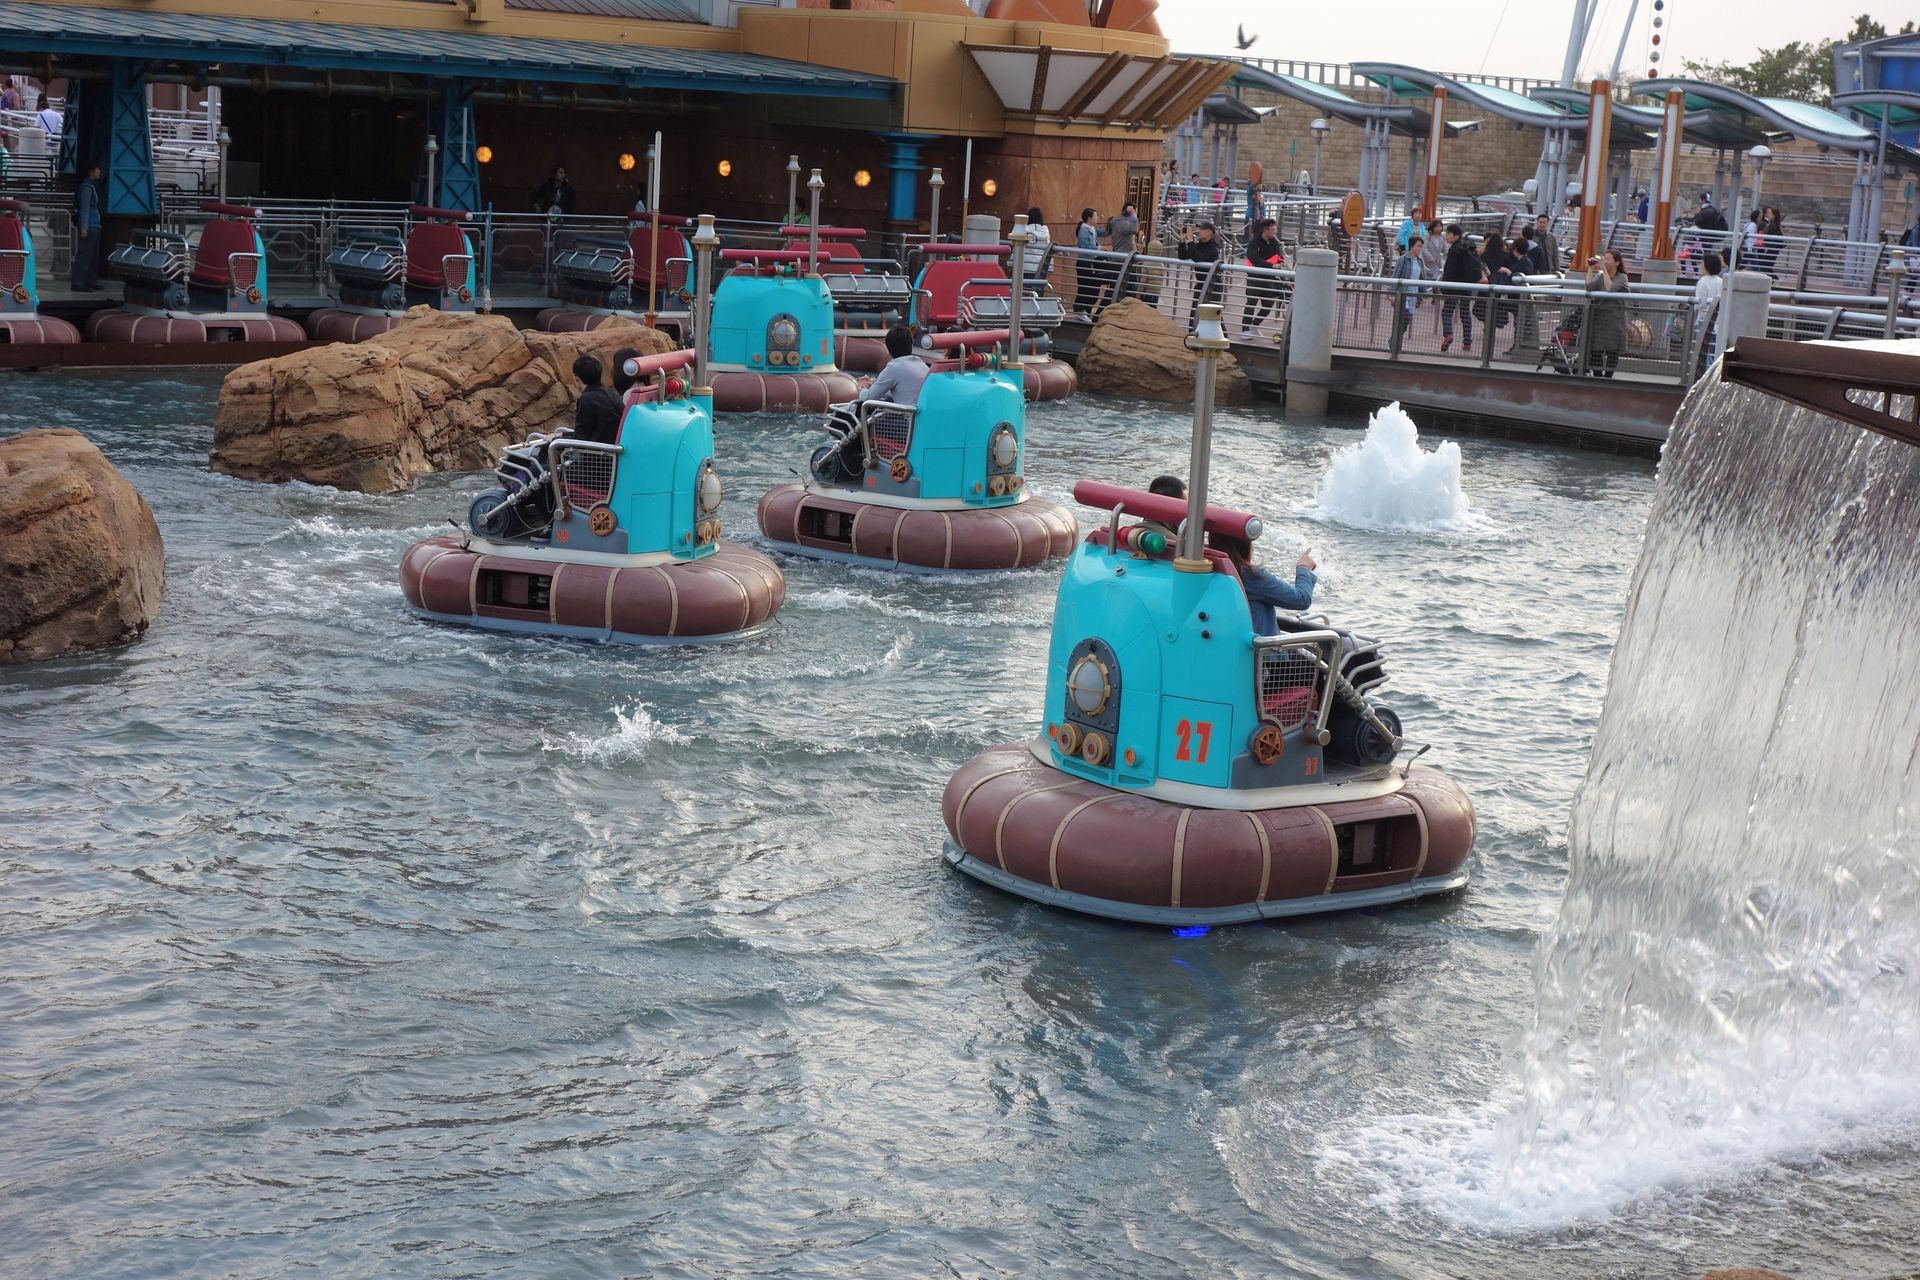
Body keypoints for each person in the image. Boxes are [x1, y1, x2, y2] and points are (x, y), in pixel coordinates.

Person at [1211, 533, 1316, 635]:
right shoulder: (1251, 576)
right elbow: (1301, 599)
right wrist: (1303, 568)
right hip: (1258, 645)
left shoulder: (1209, 569)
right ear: (1242, 546)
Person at [1438, 224, 1484, 353]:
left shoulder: (1454, 249)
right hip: (1467, 285)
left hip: (1453, 285)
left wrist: (1444, 286)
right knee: (1465, 313)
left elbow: (1449, 270)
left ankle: (1448, 334)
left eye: (1448, 234)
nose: (1446, 236)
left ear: (1455, 235)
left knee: (1447, 311)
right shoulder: (1469, 246)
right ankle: (1467, 342)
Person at [1584, 249, 1628, 378]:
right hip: (1600, 318)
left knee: (1612, 351)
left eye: (1608, 259)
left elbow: (1610, 289)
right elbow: (1589, 287)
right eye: (1604, 258)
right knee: (1596, 350)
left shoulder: (1622, 277)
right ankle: (1597, 377)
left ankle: (1608, 377)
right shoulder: (1600, 276)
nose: (1605, 261)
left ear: (1617, 263)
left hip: (1615, 320)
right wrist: (1590, 269)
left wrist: (1604, 271)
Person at [1240, 218, 1285, 339]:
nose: (1274, 232)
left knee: (1268, 304)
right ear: (1265, 230)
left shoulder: (1274, 242)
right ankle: (1245, 330)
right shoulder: (1254, 243)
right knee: (1251, 303)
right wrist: (1270, 265)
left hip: (1269, 278)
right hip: (1255, 278)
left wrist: (1281, 263)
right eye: (1272, 230)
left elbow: (1279, 256)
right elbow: (1254, 258)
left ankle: (1255, 324)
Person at [1175, 219, 1220, 324]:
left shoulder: (1213, 249)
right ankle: (1193, 333)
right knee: (1195, 315)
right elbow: (1183, 256)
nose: (1198, 231)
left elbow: (1197, 258)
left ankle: (1222, 334)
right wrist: (1182, 241)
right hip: (1201, 285)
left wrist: (1191, 241)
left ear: (1209, 232)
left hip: (1212, 286)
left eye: (1202, 229)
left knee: (1213, 317)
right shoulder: (1198, 246)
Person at [569, 354, 621, 444]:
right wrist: (562, 435)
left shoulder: (586, 400)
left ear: (576, 378)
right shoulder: (611, 393)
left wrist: (555, 439)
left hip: (598, 450)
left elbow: (580, 438)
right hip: (613, 446)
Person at [70, 164, 102, 292]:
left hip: (94, 223)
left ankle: (90, 280)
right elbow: (85, 208)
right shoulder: (87, 188)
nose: (99, 171)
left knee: (92, 255)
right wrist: (84, 228)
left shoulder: (90, 186)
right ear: (91, 171)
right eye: (97, 169)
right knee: (84, 255)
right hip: (89, 224)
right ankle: (79, 283)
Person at [1476, 232, 1515, 336]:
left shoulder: (1485, 254)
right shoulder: (1505, 255)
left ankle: (1487, 325)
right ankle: (1493, 325)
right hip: (1499, 284)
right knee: (1496, 306)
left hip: (1487, 283)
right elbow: (1510, 267)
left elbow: (1480, 266)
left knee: (1484, 306)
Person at [1691, 250, 1725, 372]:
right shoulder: (1721, 281)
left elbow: (1700, 303)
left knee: (1703, 351)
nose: (1700, 266)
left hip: (1704, 320)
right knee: (1713, 351)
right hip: (1718, 322)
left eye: (1702, 263)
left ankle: (1705, 374)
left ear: (1707, 265)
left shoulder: (1703, 281)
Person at [1390, 234, 1424, 349]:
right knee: (1404, 317)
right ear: (1412, 246)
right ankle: (1393, 342)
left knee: (1406, 320)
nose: (1420, 248)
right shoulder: (1403, 259)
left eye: (1421, 246)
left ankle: (1394, 341)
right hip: (1403, 293)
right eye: (1418, 246)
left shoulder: (1420, 261)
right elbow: (1395, 276)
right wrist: (1392, 293)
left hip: (1414, 293)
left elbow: (1422, 278)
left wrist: (1423, 294)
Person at [1073, 207, 1104, 318]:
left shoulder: (1092, 229)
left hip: (1092, 263)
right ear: (1089, 218)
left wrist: (1112, 226)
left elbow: (1104, 232)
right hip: (1084, 263)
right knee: (1085, 288)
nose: (1097, 218)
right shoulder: (1083, 230)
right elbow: (1085, 247)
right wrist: (1099, 248)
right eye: (1095, 216)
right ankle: (1080, 311)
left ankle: (1086, 312)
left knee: (1092, 288)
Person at [1021, 206, 1051, 281]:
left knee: (1022, 286)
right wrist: (1049, 267)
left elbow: (1017, 247)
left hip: (1025, 265)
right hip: (1041, 266)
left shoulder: (1024, 229)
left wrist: (1010, 263)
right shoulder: (1045, 231)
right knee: (1038, 287)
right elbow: (1047, 247)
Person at [1532, 212, 1560, 277]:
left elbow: (1555, 255)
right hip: (1533, 269)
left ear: (1547, 224)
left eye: (1544, 222)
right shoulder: (1531, 235)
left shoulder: (1551, 237)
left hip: (1547, 269)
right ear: (1537, 223)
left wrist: (1557, 269)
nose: (1542, 224)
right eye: (1540, 222)